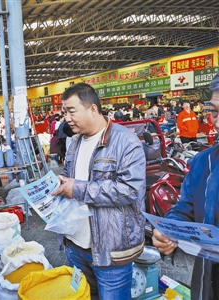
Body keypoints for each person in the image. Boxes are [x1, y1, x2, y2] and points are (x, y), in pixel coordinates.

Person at [52, 83, 146, 300]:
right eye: (64, 112)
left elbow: (129, 190)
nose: (66, 118)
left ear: (93, 109)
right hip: (75, 245)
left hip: (110, 251)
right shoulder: (75, 142)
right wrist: (59, 183)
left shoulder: (125, 142)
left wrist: (78, 188)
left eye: (71, 111)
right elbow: (70, 176)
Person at [152, 72, 219, 300]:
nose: (217, 122)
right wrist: (169, 229)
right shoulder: (203, 163)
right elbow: (186, 208)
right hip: (208, 284)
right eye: (215, 112)